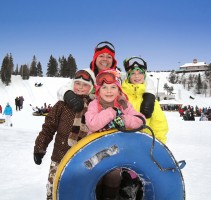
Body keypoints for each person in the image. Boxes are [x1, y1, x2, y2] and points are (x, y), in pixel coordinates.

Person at [33, 69, 96, 200]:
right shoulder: (62, 104)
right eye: (78, 83)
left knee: (79, 191)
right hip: (59, 156)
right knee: (54, 188)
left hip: (83, 159)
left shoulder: (94, 107)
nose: (80, 87)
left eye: (85, 85)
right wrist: (40, 147)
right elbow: (48, 127)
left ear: (91, 88)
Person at [85, 69, 145, 200]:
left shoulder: (124, 105)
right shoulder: (94, 104)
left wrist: (125, 119)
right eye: (104, 87)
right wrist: (111, 112)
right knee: (96, 176)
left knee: (113, 176)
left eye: (113, 87)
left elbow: (141, 120)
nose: (109, 91)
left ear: (119, 90)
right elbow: (92, 124)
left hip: (116, 151)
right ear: (98, 90)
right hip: (95, 152)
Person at [59, 41, 156, 118]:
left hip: (114, 119)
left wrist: (149, 97)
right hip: (90, 120)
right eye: (101, 56)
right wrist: (69, 95)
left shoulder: (117, 76)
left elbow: (142, 78)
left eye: (109, 57)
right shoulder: (87, 74)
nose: (105, 59)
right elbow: (64, 88)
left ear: (113, 60)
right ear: (95, 58)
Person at [121, 57, 169, 143]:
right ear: (128, 76)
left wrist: (158, 145)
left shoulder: (150, 99)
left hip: (144, 144)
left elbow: (159, 125)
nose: (137, 76)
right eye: (133, 73)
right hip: (123, 143)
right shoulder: (121, 96)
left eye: (140, 73)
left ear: (144, 75)